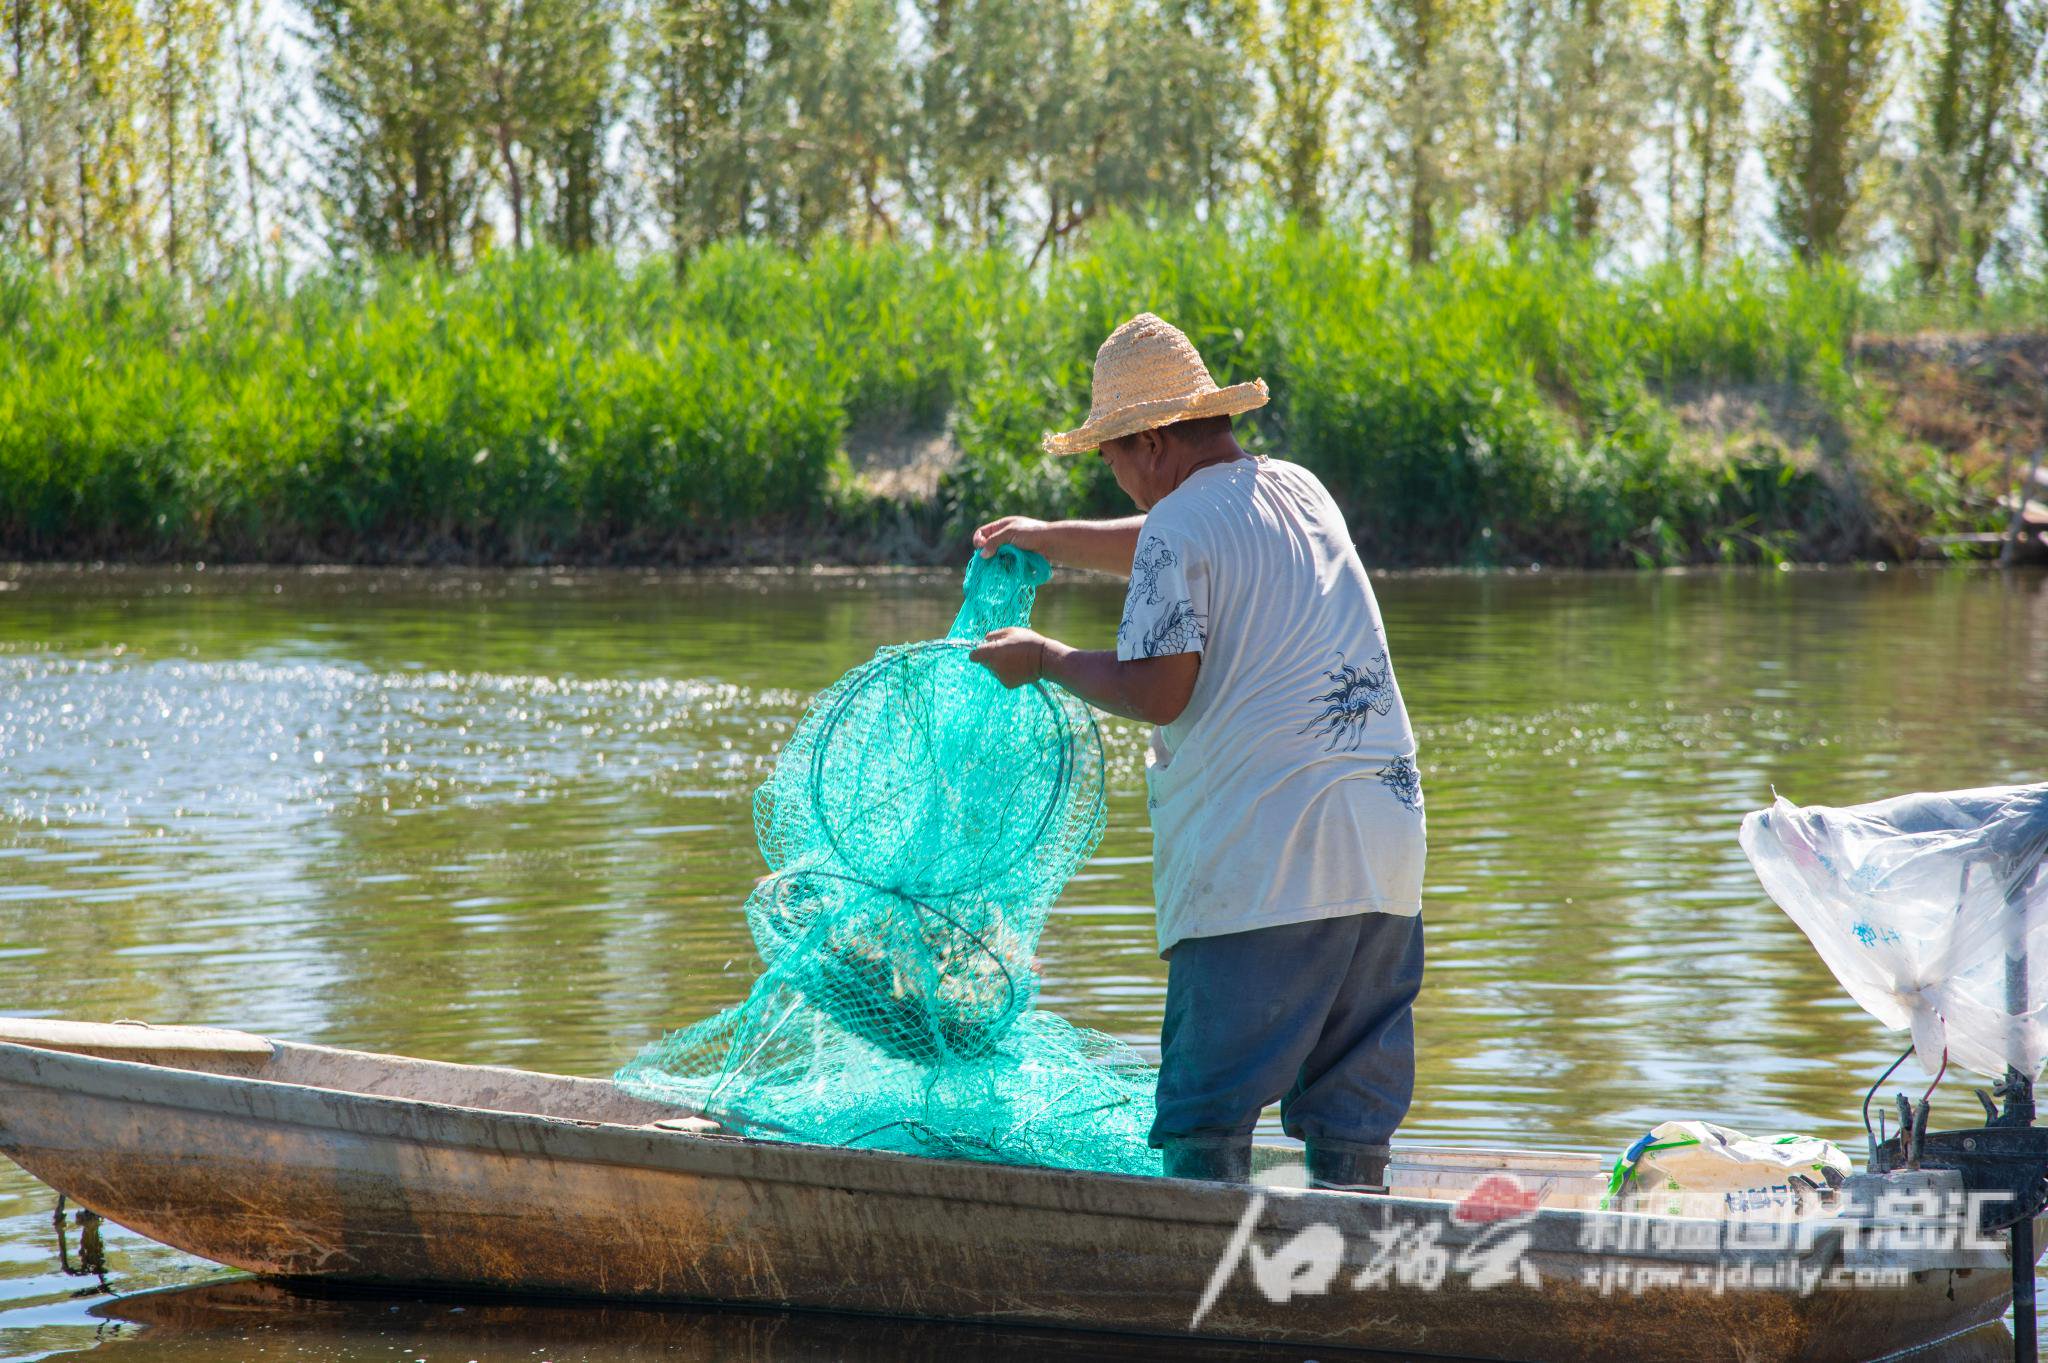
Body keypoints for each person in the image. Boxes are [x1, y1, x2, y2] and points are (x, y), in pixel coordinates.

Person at [968, 313, 1426, 1191]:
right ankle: (1355, 1283)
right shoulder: (1297, 488)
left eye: (1114, 461)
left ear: (1148, 443)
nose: (1125, 484)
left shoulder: (1181, 526)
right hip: (1384, 863)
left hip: (1265, 871)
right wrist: (1047, 536)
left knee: (1203, 1121)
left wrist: (1044, 659)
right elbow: (1173, 537)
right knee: (1350, 1120)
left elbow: (1157, 690)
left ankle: (1203, 1303)